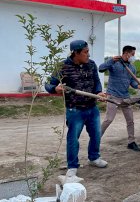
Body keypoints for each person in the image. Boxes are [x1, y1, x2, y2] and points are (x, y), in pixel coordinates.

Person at [45, 40, 107, 179]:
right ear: (76, 53)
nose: (88, 55)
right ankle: (72, 166)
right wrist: (55, 88)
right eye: (85, 52)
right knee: (73, 139)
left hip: (92, 107)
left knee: (96, 135)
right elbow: (49, 84)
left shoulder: (91, 64)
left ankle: (94, 158)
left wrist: (99, 92)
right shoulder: (62, 66)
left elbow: (96, 82)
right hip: (75, 110)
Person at [99, 45, 140, 151]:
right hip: (113, 95)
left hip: (125, 96)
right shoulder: (114, 63)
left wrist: (138, 86)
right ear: (126, 53)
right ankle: (96, 140)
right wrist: (111, 60)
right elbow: (101, 68)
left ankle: (131, 142)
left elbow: (132, 82)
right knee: (108, 119)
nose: (133, 57)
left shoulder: (132, 67)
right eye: (132, 54)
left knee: (130, 121)